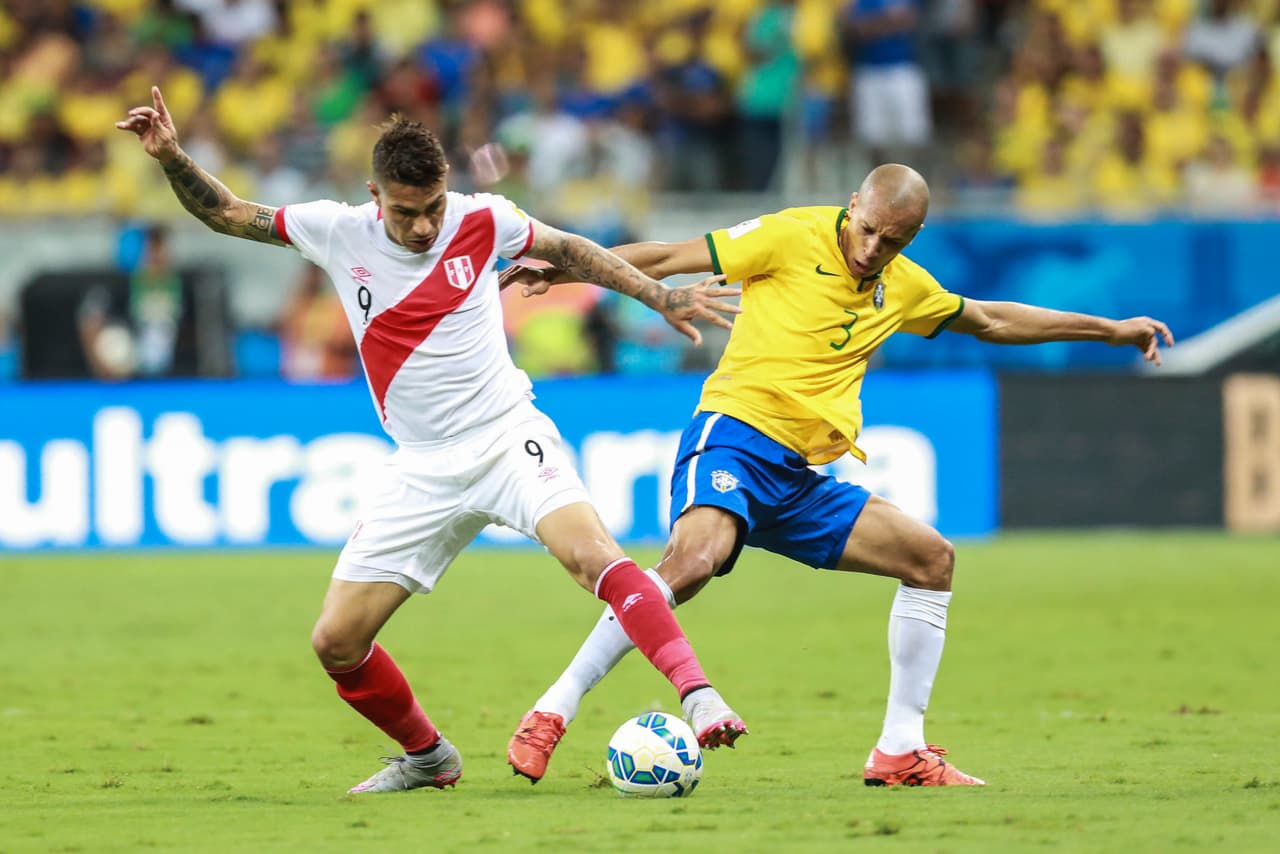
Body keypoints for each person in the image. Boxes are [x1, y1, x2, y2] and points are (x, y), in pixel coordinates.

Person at [115, 86, 748, 794]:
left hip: (506, 436)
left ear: (449, 188)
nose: (422, 227)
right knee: (336, 642)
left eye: (433, 208)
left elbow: (570, 249)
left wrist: (660, 295)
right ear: (375, 196)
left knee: (595, 558)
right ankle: (428, 757)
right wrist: (172, 158)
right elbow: (231, 212)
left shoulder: (484, 218)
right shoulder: (338, 230)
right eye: (405, 212)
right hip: (420, 468)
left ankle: (698, 696)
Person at [501, 163, 1174, 787]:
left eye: (892, 240)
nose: (872, 248)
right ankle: (552, 710)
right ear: (853, 205)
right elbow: (669, 256)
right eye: (868, 228)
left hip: (797, 477)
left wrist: (1110, 331)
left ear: (912, 238)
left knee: (930, 559)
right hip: (733, 435)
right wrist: (561, 271)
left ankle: (900, 750)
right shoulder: (791, 235)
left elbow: (992, 319)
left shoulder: (905, 287)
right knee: (693, 563)